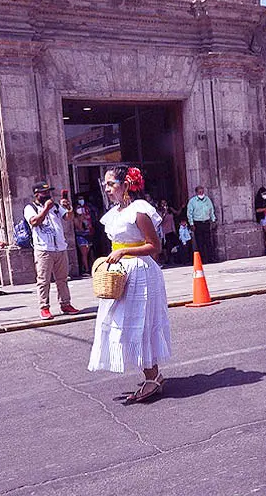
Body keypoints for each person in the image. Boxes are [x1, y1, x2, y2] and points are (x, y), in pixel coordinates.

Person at [87, 166, 171, 403]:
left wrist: (125, 251)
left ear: (125, 185)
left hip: (140, 273)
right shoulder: (115, 212)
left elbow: (154, 246)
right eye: (105, 184)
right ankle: (151, 374)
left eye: (111, 183)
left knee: (140, 324)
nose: (106, 188)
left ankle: (152, 377)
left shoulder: (139, 210)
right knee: (123, 323)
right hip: (122, 272)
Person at [25, 181, 79, 320]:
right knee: (43, 280)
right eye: (45, 192)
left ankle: (65, 304)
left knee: (62, 279)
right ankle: (44, 307)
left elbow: (68, 218)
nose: (48, 194)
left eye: (49, 191)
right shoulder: (30, 207)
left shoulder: (55, 206)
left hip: (60, 247)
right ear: (37, 194)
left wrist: (69, 208)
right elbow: (34, 222)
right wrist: (45, 209)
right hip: (44, 249)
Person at [186, 186, 216, 263]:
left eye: (202, 192)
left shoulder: (207, 200)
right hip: (197, 223)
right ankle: (202, 259)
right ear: (196, 193)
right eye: (199, 192)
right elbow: (189, 213)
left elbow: (211, 210)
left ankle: (211, 258)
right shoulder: (192, 201)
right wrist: (191, 224)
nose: (201, 193)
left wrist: (213, 220)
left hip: (206, 222)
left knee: (208, 241)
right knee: (200, 242)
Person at [73, 198, 95, 274]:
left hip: (87, 236)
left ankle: (86, 266)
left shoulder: (84, 216)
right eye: (78, 208)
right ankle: (86, 269)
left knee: (89, 252)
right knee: (84, 254)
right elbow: (79, 228)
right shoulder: (75, 218)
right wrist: (81, 220)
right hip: (81, 237)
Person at [156, 199, 178, 264]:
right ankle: (167, 259)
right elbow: (160, 221)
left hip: (171, 230)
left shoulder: (170, 210)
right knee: (166, 246)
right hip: (164, 231)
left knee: (172, 245)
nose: (164, 204)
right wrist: (164, 213)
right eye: (162, 203)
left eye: (165, 203)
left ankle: (174, 259)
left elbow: (176, 213)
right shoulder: (159, 211)